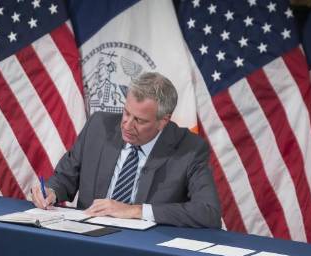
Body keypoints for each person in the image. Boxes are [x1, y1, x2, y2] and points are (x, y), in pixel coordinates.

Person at [31, 72, 221, 228]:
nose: (127, 125)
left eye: (139, 120)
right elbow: (65, 177)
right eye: (126, 113)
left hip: (143, 250)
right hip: (87, 236)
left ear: (163, 121)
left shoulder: (189, 149)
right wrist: (51, 191)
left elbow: (208, 212)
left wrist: (136, 211)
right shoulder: (99, 126)